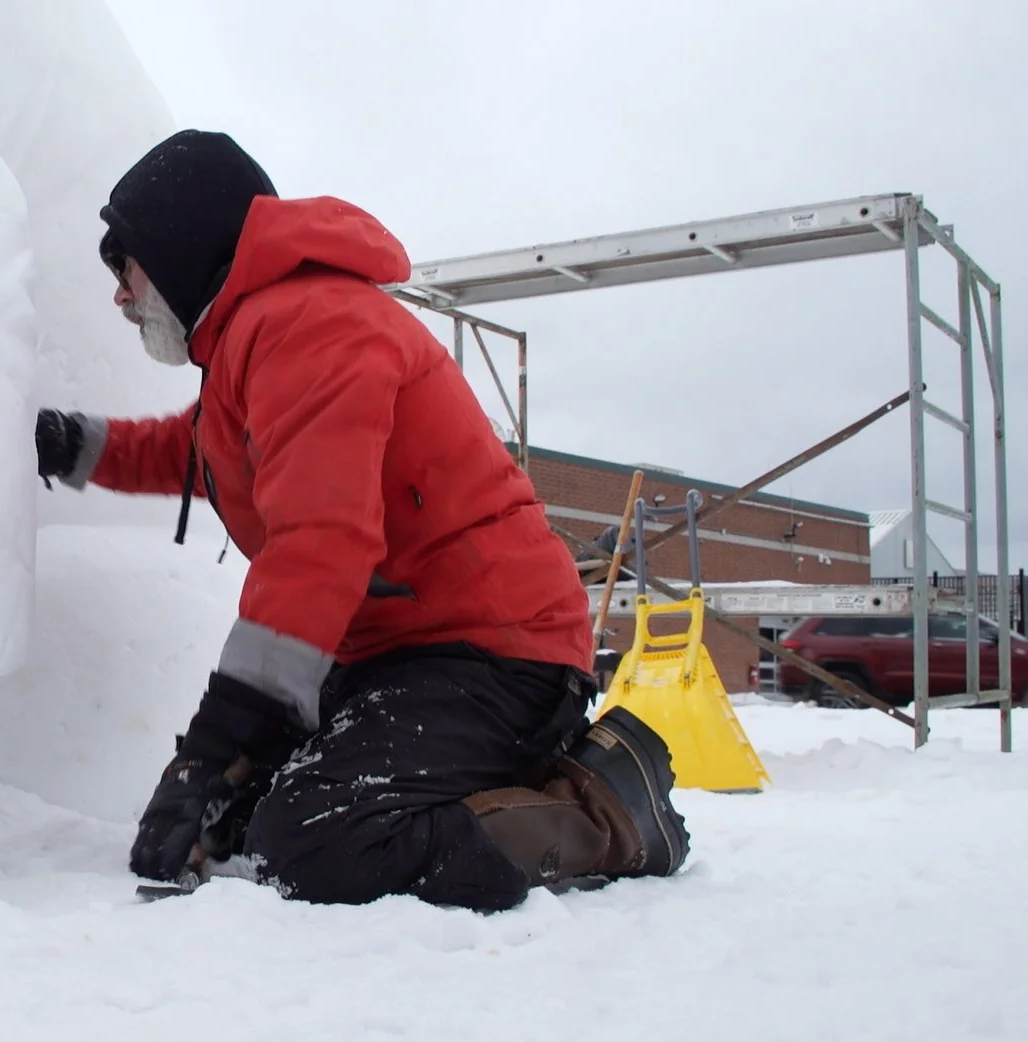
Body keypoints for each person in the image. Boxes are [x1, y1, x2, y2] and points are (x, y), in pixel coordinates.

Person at [34, 130, 690, 911]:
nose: (119, 294)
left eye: (125, 265)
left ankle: (605, 812)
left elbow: (323, 541)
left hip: (493, 650)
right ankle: (480, 779)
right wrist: (70, 445)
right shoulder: (252, 339)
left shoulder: (310, 325)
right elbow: (195, 453)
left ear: (178, 244)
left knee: (313, 836)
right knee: (231, 829)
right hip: (396, 659)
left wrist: (214, 746)